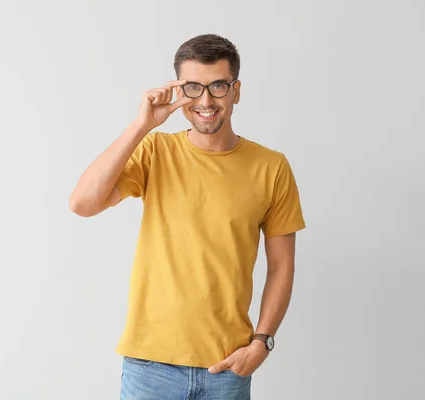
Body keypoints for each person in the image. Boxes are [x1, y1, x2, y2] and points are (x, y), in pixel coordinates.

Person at [69, 33, 306, 400]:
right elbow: (82, 203)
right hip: (150, 366)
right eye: (193, 88)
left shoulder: (271, 167)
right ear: (179, 90)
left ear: (236, 91)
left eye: (218, 87)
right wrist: (141, 125)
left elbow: (282, 267)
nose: (206, 101)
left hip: (227, 367)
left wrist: (261, 342)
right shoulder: (155, 150)